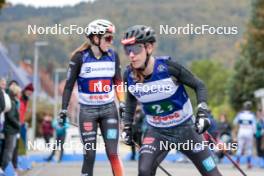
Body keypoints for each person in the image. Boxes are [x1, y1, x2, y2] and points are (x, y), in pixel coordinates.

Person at [121, 25, 222, 176]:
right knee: (144, 170)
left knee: (211, 173)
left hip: (185, 129)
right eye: (127, 50)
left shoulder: (169, 68)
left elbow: (199, 85)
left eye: (135, 49)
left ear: (149, 47)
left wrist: (202, 112)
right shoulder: (129, 75)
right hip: (156, 131)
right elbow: (130, 100)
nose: (131, 55)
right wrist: (127, 126)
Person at [59, 19, 124, 176]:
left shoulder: (113, 56)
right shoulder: (79, 58)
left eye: (112, 38)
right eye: (108, 38)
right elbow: (68, 86)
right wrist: (63, 109)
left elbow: (118, 81)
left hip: (109, 111)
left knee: (113, 153)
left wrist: (122, 103)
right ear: (95, 38)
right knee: (89, 155)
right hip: (88, 112)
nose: (111, 42)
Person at [1, 83, 21, 171]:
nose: (20, 94)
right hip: (10, 130)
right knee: (8, 151)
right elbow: (11, 116)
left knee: (9, 150)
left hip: (11, 129)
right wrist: (18, 124)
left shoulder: (13, 101)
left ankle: (3, 168)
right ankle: (2, 168)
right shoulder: (12, 102)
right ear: (16, 93)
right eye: (19, 92)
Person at [233, 101, 256, 169]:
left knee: (239, 148)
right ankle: (249, 164)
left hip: (241, 131)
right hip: (249, 132)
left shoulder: (240, 114)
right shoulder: (252, 115)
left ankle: (237, 163)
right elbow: (254, 126)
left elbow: (234, 122)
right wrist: (254, 134)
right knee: (249, 149)